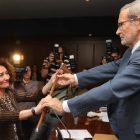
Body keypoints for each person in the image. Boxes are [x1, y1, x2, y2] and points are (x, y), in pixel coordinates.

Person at [43, 1, 140, 140]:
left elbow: (114, 87)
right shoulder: (131, 52)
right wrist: (75, 78)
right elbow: (113, 67)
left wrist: (65, 106)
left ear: (138, 23)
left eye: (121, 24)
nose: (117, 31)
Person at [0, 57, 58, 140]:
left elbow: (32, 96)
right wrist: (34, 110)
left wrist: (50, 82)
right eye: (1, 75)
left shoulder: (9, 93)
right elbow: (7, 116)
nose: (7, 77)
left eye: (6, 73)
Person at [14, 65, 39, 140]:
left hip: (30, 116)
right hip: (19, 115)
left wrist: (24, 84)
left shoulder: (35, 83)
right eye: (25, 70)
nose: (27, 72)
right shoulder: (16, 84)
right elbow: (12, 94)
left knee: (29, 136)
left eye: (29, 70)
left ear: (31, 72)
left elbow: (33, 95)